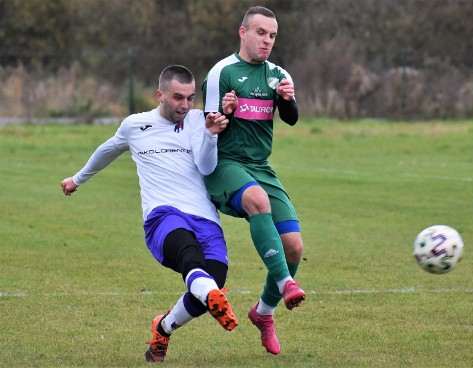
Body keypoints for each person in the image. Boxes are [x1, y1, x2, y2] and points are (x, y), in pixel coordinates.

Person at [60, 65, 238, 363]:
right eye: (178, 97)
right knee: (190, 258)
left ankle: (164, 327)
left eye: (190, 98)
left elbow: (207, 167)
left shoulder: (199, 120)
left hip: (204, 217)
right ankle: (212, 296)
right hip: (163, 216)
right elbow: (108, 149)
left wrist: (209, 134)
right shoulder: (135, 125)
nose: (184, 105)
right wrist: (78, 178)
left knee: (213, 280)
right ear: (160, 95)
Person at [202, 6, 305, 355]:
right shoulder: (222, 72)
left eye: (272, 35)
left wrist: (287, 101)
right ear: (242, 32)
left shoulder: (278, 74)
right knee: (257, 200)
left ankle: (264, 313)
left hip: (260, 165)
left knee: (293, 246)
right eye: (260, 33)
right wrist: (225, 113)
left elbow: (290, 119)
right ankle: (287, 283)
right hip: (224, 163)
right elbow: (208, 127)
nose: (267, 41)